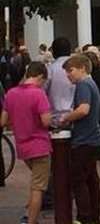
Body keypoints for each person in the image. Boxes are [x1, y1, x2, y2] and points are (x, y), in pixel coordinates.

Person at [0, 62, 52, 224]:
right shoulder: (39, 94)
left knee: (35, 181)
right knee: (38, 187)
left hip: (22, 145)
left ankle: (29, 213)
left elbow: (3, 121)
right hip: (40, 145)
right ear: (40, 76)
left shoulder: (11, 93)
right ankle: (31, 220)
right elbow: (46, 121)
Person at [61, 55, 100, 224]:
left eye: (70, 70)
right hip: (93, 138)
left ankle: (84, 217)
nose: (68, 75)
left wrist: (66, 117)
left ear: (82, 68)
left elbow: (84, 109)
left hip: (84, 139)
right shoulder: (91, 83)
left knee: (79, 180)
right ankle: (94, 216)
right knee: (91, 179)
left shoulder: (83, 84)